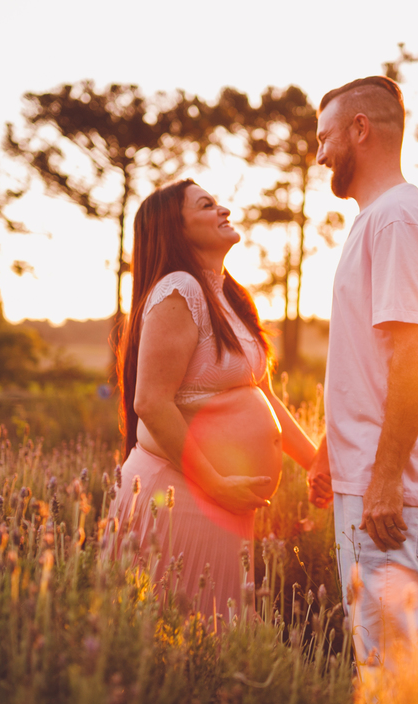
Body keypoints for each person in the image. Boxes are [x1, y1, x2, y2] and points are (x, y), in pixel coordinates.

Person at [306, 76, 418, 668]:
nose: (319, 154)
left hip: (391, 490)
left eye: (324, 138)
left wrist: (385, 478)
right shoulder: (379, 218)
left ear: (360, 130)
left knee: (389, 663)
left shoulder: (396, 219)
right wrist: (332, 447)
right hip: (370, 477)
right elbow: (370, 361)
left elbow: (413, 354)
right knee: (376, 652)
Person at [111, 179, 319, 621]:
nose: (223, 209)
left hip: (221, 501)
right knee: (178, 638)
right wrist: (216, 484)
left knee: (214, 638)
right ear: (177, 229)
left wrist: (315, 461)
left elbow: (258, 392)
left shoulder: (228, 295)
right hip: (180, 497)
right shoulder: (179, 289)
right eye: (207, 205)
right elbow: (150, 402)